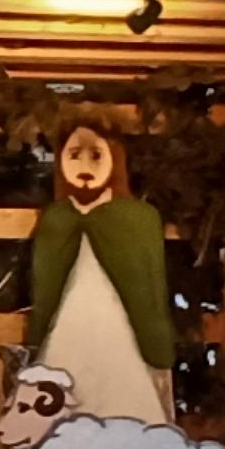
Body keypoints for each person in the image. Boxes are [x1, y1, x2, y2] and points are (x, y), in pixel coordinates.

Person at [26, 124, 172, 427]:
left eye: (96, 155)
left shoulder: (138, 219)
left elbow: (151, 285)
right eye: (74, 155)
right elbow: (44, 284)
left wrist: (157, 346)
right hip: (67, 333)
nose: (84, 168)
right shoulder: (56, 219)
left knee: (125, 407)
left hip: (124, 340)